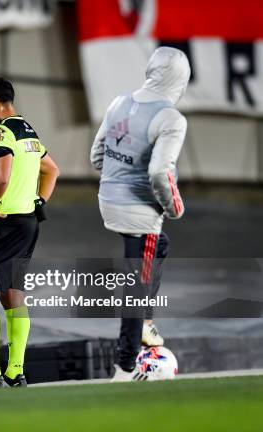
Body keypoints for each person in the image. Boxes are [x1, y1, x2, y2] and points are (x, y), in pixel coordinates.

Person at [89, 47, 190, 381]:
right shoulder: (171, 118)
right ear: (181, 79)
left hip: (108, 198)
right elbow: (161, 173)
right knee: (136, 284)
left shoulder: (119, 102)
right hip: (139, 210)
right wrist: (173, 207)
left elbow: (97, 155)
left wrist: (116, 184)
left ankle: (146, 320)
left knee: (158, 247)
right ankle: (126, 366)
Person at [0, 77, 59, 389]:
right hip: (28, 222)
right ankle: (15, 372)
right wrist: (39, 201)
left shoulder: (2, 133)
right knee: (12, 295)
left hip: (4, 224)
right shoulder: (28, 130)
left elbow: (2, 177)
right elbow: (52, 169)